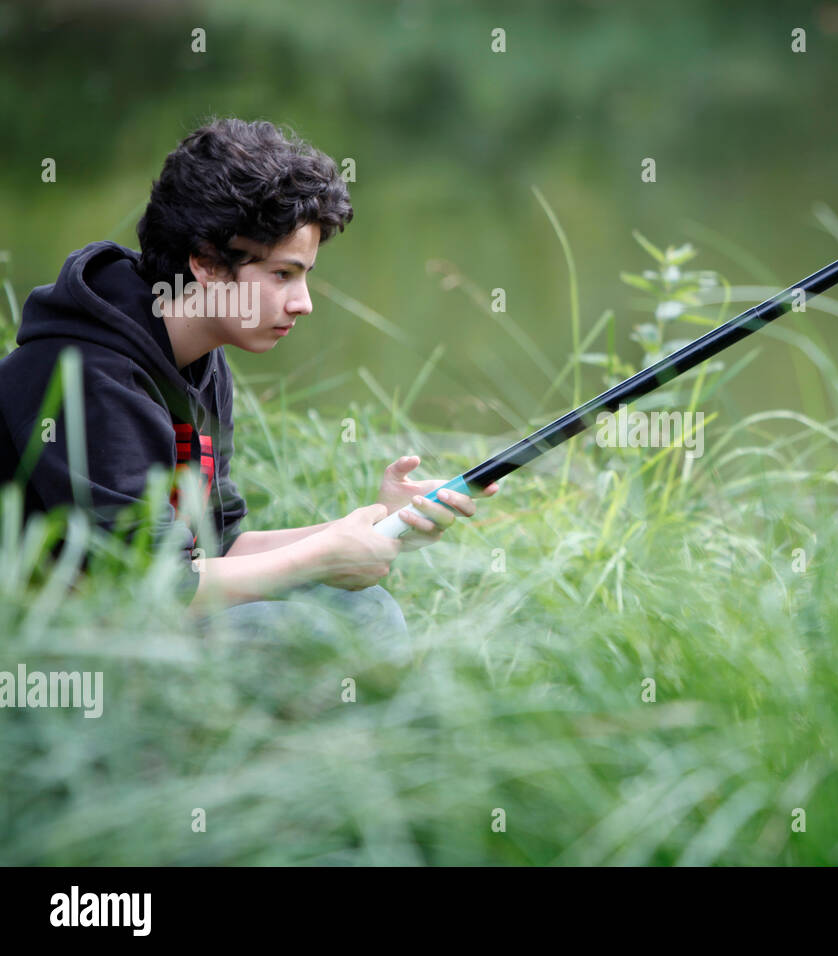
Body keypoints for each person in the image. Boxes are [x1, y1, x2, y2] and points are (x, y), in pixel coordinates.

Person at [0, 117, 497, 644]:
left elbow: (216, 551)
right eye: (282, 274)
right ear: (207, 264)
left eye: (304, 275)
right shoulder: (83, 371)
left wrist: (379, 523)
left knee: (357, 608)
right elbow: (141, 591)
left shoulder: (199, 360)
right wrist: (321, 558)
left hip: (117, 624)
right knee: (345, 622)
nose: (302, 303)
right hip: (42, 644)